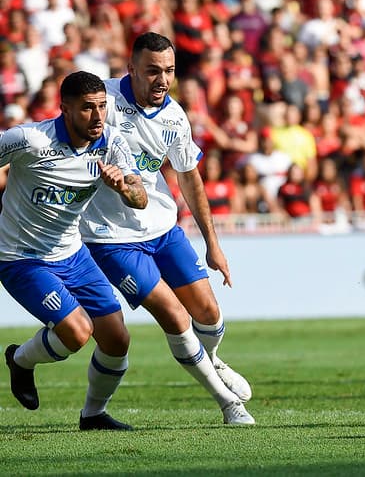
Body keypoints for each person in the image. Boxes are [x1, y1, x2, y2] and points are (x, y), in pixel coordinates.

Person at [79, 32, 255, 424]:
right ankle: (228, 404)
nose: (162, 80)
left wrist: (213, 244)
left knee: (208, 313)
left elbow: (189, 179)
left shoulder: (175, 116)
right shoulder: (100, 102)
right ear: (131, 70)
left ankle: (212, 358)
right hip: (110, 237)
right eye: (153, 71)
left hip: (162, 228)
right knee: (175, 316)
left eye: (169, 71)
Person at [3, 71, 147, 430]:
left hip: (72, 253)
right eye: (87, 109)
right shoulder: (29, 139)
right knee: (78, 331)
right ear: (64, 109)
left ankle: (93, 415)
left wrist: (123, 188)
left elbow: (140, 198)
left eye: (102, 106)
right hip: (22, 257)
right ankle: (20, 361)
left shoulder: (112, 142)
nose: (98, 117)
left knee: (117, 339)